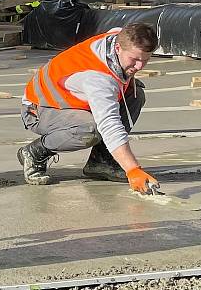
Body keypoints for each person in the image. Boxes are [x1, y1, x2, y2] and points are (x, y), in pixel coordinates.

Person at [17, 22, 160, 194]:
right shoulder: (98, 79)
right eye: (134, 59)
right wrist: (133, 169)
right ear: (117, 48)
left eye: (145, 60)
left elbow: (120, 30)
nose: (139, 66)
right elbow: (109, 125)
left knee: (135, 95)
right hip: (39, 108)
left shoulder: (119, 38)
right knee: (91, 130)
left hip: (71, 102)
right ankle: (34, 152)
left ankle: (101, 161)